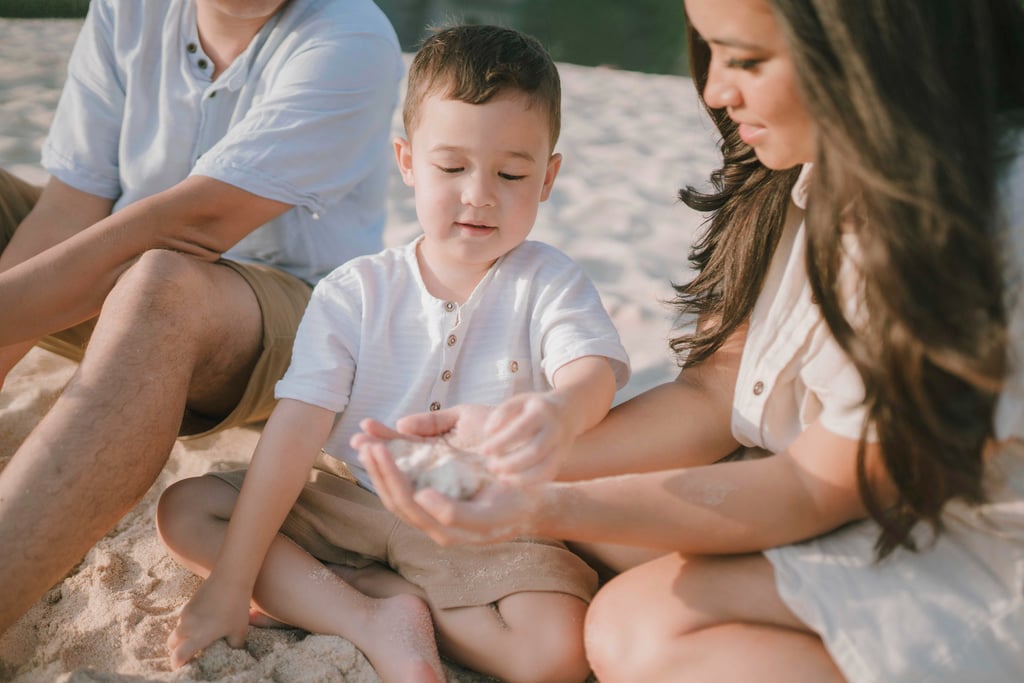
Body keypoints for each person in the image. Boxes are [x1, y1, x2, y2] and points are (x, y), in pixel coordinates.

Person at [354, 1, 1024, 681]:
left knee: (635, 627)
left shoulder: (984, 221)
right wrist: (521, 454)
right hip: (837, 495)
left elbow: (811, 488)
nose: (713, 90)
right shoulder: (789, 169)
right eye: (709, 50)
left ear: (867, 48)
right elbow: (712, 391)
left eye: (747, 59)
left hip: (974, 550)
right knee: (597, 523)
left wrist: (541, 500)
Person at [156, 24, 630, 683]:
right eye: (452, 166)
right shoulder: (357, 289)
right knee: (185, 510)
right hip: (351, 499)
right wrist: (232, 580)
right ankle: (370, 616)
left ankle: (366, 594)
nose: (479, 193)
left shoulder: (547, 280)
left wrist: (560, 410)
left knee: (549, 654)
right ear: (406, 161)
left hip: (473, 516)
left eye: (512, 172)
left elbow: (591, 370)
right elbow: (296, 428)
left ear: (548, 176)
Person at [0, 0, 402, 636]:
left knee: (162, 283)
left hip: (294, 320)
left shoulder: (350, 35)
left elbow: (198, 223)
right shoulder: (126, 11)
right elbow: (69, 208)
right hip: (125, 276)